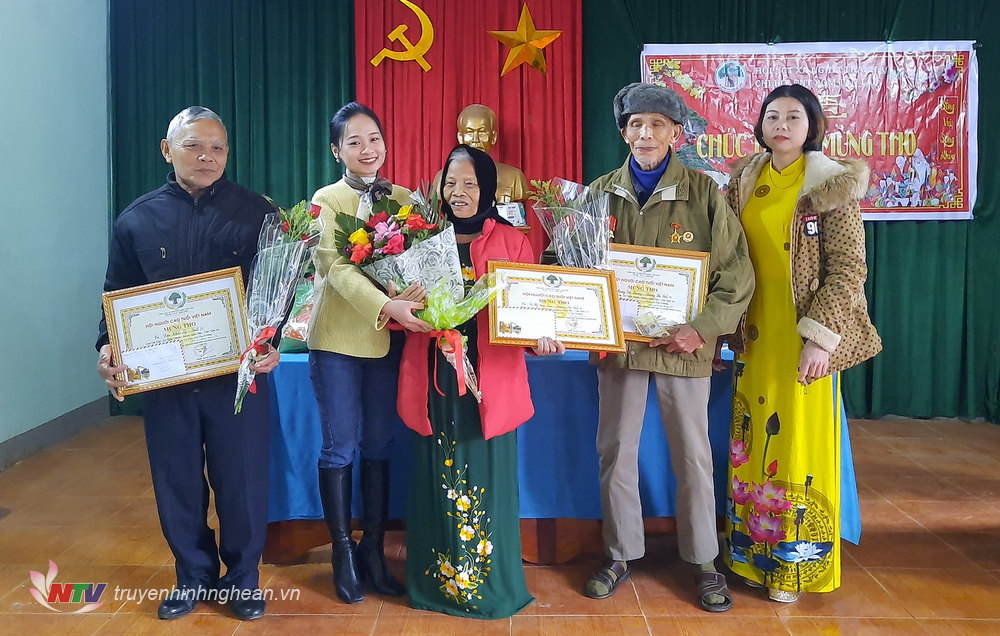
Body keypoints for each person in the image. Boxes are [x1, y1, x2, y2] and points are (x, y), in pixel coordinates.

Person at [96, 106, 278, 622]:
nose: (207, 157)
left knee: (242, 482)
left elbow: (277, 292)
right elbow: (116, 295)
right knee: (176, 482)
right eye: (194, 145)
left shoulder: (258, 214)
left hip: (237, 378)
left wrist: (271, 341)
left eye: (218, 147)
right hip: (166, 380)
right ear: (166, 150)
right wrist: (107, 349)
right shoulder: (136, 220)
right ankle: (193, 575)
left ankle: (243, 580)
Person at [584, 83, 755, 612]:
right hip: (621, 348)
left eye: (657, 124)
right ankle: (619, 553)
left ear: (676, 133)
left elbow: (737, 276)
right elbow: (571, 266)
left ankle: (704, 561)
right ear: (624, 133)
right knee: (616, 452)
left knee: (694, 456)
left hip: (685, 347)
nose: (645, 134)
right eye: (636, 124)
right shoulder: (598, 193)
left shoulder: (705, 194)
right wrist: (576, 319)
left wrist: (700, 330)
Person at [722, 84, 881, 602]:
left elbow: (848, 270)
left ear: (813, 125)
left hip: (802, 340)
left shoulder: (831, 184)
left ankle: (791, 569)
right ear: (760, 125)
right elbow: (722, 252)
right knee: (752, 445)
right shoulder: (744, 180)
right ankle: (748, 558)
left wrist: (820, 340)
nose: (782, 125)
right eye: (773, 116)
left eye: (794, 117)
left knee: (796, 450)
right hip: (754, 337)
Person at [397, 144, 564, 619]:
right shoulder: (422, 239)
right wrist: (403, 306)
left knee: (487, 475)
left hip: (489, 384)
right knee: (436, 473)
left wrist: (540, 338)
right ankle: (434, 586)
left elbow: (529, 308)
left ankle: (491, 588)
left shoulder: (512, 240)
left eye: (469, 183)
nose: (459, 192)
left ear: (487, 188)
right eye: (451, 183)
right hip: (434, 379)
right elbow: (400, 311)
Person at [308, 101, 431, 604]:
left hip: (389, 342)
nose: (367, 149)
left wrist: (421, 295)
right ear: (336, 150)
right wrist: (387, 305)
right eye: (354, 141)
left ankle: (374, 550)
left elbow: (422, 260)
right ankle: (342, 551)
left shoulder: (405, 199)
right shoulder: (326, 199)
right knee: (340, 445)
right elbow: (336, 269)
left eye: (374, 138)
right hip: (338, 339)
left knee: (379, 444)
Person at [433, 104, 530, 204]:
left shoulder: (514, 178)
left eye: (482, 132)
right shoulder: (442, 178)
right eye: (469, 132)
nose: (475, 139)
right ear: (460, 137)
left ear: (493, 137)